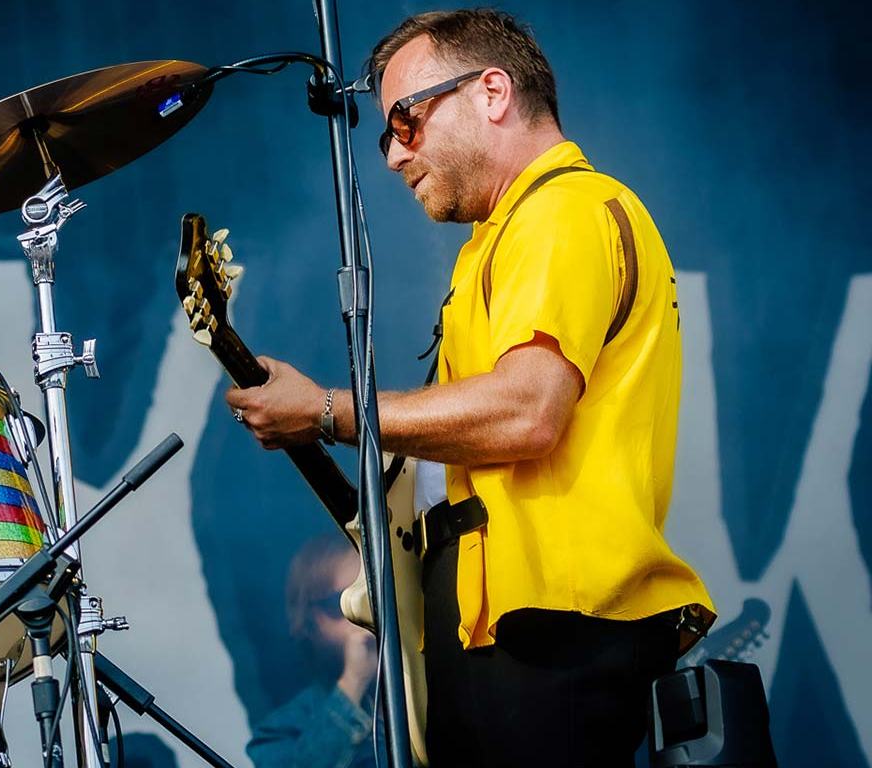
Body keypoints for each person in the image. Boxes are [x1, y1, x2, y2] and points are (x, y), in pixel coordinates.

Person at [221, 9, 714, 766]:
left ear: (492, 92)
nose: (393, 154)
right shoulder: (505, 237)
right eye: (385, 136)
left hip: (550, 634)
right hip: (508, 629)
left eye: (405, 120)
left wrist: (326, 410)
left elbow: (528, 412)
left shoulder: (563, 210)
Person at [248, 535, 377, 768]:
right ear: (308, 621)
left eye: (368, 596)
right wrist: (353, 682)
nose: (360, 614)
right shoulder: (278, 733)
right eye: (341, 602)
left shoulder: (428, 680)